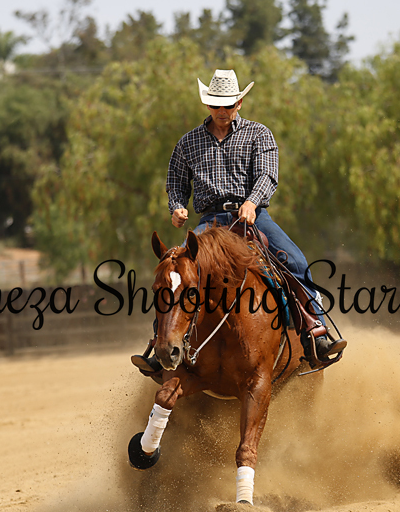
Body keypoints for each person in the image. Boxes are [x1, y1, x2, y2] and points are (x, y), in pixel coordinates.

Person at [132, 69, 346, 373]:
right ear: (207, 104)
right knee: (174, 272)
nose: (222, 110)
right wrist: (177, 207)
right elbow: (176, 183)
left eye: (228, 104)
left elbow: (267, 175)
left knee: (296, 262)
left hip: (252, 218)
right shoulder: (188, 143)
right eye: (216, 105)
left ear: (239, 103)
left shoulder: (259, 134)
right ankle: (160, 344)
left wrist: (252, 202)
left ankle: (316, 333)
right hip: (209, 222)